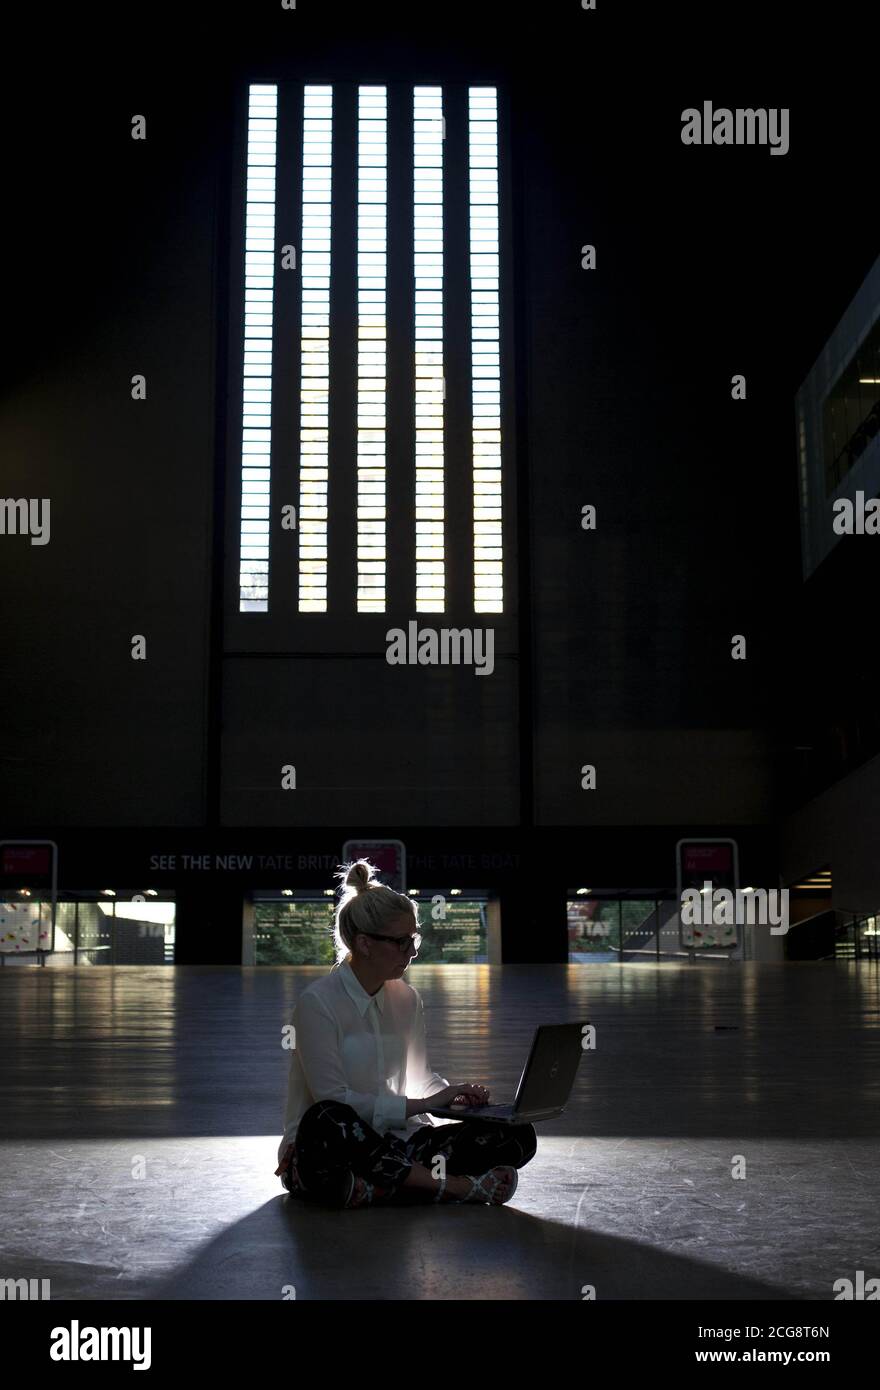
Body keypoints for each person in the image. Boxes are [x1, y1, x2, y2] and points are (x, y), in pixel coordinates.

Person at [274, 858, 537, 1208]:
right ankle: (451, 1188)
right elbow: (333, 1100)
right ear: (364, 944)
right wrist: (425, 1105)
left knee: (517, 1134)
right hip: (333, 1148)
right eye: (401, 942)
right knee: (328, 1119)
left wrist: (454, 1097)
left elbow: (419, 1079)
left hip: (397, 1146)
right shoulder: (317, 1004)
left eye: (413, 939)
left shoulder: (407, 999)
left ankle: (378, 1188)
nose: (412, 951)